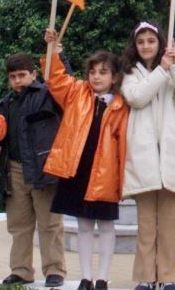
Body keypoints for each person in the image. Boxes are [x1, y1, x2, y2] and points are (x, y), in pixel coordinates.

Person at [42, 31, 129, 290]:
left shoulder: (123, 104)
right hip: (77, 168)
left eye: (103, 72)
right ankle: (86, 276)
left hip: (106, 172)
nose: (96, 77)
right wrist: (54, 51)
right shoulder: (77, 93)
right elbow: (55, 78)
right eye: (92, 72)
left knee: (105, 225)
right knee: (82, 225)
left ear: (114, 77)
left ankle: (102, 276)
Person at [121, 19, 175, 290]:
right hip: (143, 158)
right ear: (135, 45)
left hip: (170, 158)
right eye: (141, 42)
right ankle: (145, 277)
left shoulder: (174, 67)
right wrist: (162, 70)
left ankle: (169, 278)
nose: (146, 46)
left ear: (161, 43)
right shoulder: (130, 72)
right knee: (146, 227)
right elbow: (137, 98)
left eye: (151, 41)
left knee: (168, 226)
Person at [0, 52, 67, 287]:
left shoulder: (48, 94)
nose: (18, 81)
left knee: (50, 223)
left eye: (22, 75)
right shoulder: (3, 104)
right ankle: (21, 270)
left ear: (33, 74)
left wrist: (58, 55)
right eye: (13, 76)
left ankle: (55, 269)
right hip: (14, 170)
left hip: (43, 169)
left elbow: (67, 85)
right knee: (19, 225)